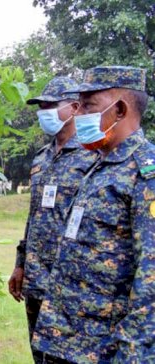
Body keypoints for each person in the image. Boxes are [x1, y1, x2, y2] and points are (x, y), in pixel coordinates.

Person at [32, 66, 155, 362]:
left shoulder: (144, 174)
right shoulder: (99, 165)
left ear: (121, 109)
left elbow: (151, 277)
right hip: (66, 340)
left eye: (89, 105)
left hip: (104, 348)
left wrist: (133, 354)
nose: (81, 113)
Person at [7, 77, 98, 363]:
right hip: (36, 279)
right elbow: (34, 215)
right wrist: (21, 263)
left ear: (74, 107)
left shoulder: (93, 154)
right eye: (40, 106)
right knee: (39, 354)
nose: (43, 112)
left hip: (71, 284)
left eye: (50, 105)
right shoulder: (41, 158)